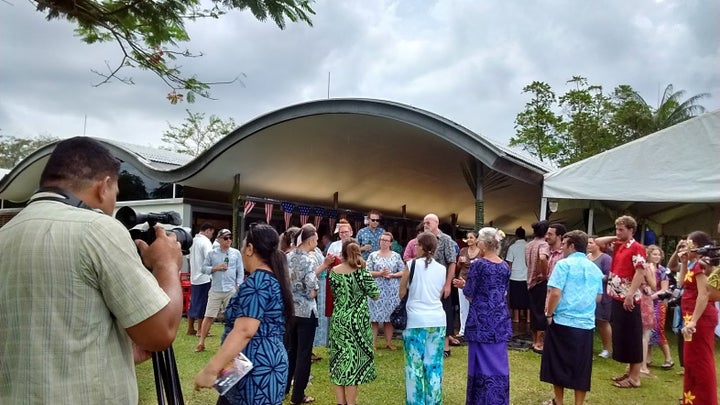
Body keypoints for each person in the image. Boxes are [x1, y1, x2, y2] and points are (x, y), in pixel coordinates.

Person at [0, 137, 183, 404]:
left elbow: (38, 336)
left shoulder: (6, 233)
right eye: (115, 195)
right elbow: (161, 333)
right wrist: (166, 264)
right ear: (104, 186)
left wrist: (119, 351)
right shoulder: (97, 229)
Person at [194, 223, 295, 405]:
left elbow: (244, 330)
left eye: (243, 246)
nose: (240, 251)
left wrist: (211, 369)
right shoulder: (273, 279)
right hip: (261, 364)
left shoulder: (257, 282)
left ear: (249, 249)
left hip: (256, 368)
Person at [540, 230, 603, 405]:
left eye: (564, 244)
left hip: (562, 320)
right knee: (581, 367)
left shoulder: (563, 265)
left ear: (572, 246)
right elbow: (598, 297)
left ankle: (559, 401)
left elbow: (555, 292)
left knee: (558, 363)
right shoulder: (595, 269)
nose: (561, 247)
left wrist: (549, 313)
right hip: (585, 324)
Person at [457, 227, 512, 405]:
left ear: (485, 243)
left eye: (479, 239)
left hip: (481, 318)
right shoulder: (504, 266)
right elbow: (502, 290)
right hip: (499, 317)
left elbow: (470, 292)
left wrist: (463, 286)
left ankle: (479, 400)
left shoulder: (478, 264)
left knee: (479, 360)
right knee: (498, 360)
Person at [595, 215, 647, 389]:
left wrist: (631, 294)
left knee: (633, 336)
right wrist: (617, 236)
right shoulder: (619, 245)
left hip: (628, 298)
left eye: (622, 229)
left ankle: (635, 377)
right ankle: (630, 371)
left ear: (631, 230)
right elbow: (599, 241)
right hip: (616, 296)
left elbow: (640, 271)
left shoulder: (637, 248)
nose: (618, 232)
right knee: (623, 335)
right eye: (617, 229)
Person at [328, 238, 379, 405]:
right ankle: (351, 403)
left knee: (338, 360)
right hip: (358, 322)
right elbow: (375, 294)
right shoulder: (362, 273)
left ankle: (340, 402)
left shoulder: (334, 272)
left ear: (342, 253)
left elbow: (334, 293)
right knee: (354, 362)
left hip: (339, 319)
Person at [402, 232, 447, 404]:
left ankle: (415, 402)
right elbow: (439, 293)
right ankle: (434, 401)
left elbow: (402, 292)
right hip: (437, 319)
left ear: (420, 246)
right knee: (434, 366)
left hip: (415, 319)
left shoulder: (411, 264)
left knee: (414, 367)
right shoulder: (442, 269)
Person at [285, 224, 329, 405]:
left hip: (290, 310)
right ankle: (298, 395)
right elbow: (312, 288)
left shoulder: (287, 256)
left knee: (290, 351)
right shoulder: (310, 260)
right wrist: (313, 291)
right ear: (310, 240)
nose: (317, 243)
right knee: (304, 354)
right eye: (316, 240)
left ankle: (284, 388)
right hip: (306, 311)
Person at [678, 231, 717, 405]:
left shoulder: (701, 264)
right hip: (690, 317)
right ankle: (691, 399)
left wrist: (694, 320)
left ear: (698, 247)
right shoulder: (693, 264)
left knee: (700, 360)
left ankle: (705, 400)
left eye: (689, 244)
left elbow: (704, 294)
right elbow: (681, 283)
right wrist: (684, 262)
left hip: (699, 318)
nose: (686, 247)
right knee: (691, 361)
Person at [196, 228, 244, 353]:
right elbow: (203, 269)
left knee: (232, 317)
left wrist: (238, 284)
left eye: (230, 238)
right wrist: (215, 268)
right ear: (219, 239)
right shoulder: (212, 253)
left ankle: (232, 344)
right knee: (209, 316)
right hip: (216, 289)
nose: (228, 240)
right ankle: (201, 342)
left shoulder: (236, 253)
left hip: (230, 289)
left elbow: (240, 270)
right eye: (225, 238)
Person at [422, 213, 457, 357]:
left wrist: (448, 284)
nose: (425, 225)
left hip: (441, 283)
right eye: (424, 222)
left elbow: (452, 262)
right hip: (426, 283)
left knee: (445, 313)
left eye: (428, 222)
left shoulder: (446, 239)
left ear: (436, 223)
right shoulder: (423, 240)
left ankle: (445, 347)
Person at [367, 231, 405, 350]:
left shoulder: (396, 256)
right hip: (377, 290)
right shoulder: (373, 255)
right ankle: (372, 343)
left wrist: (393, 275)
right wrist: (380, 273)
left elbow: (404, 271)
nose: (383, 242)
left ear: (391, 243)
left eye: (386, 240)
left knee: (389, 317)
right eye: (382, 240)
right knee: (374, 317)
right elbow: (366, 272)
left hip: (392, 291)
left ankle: (389, 342)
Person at [645, 244, 674, 370]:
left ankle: (668, 358)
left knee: (659, 330)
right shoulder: (645, 268)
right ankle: (648, 358)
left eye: (658, 254)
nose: (656, 257)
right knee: (647, 330)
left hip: (659, 303)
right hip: (647, 302)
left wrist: (650, 297)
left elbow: (664, 290)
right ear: (648, 255)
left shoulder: (663, 271)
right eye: (654, 254)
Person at [526, 220, 550, 353]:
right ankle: (539, 343)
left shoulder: (529, 245)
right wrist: (544, 273)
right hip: (540, 281)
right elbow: (542, 257)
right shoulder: (544, 245)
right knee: (541, 311)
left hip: (529, 281)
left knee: (534, 311)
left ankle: (534, 340)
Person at [187, 223, 216, 336]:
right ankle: (200, 330)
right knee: (203, 303)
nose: (211, 235)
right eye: (212, 233)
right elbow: (210, 258)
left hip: (194, 276)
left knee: (193, 302)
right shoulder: (205, 242)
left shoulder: (193, 241)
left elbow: (188, 257)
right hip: (204, 277)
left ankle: (190, 328)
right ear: (208, 230)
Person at [587, 235, 613, 358]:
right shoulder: (587, 258)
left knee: (603, 321)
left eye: (591, 243)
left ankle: (607, 349)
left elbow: (610, 276)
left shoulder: (606, 258)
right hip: (589, 294)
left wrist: (598, 276)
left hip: (603, 294)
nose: (588, 245)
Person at [455, 230, 482, 338]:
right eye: (468, 238)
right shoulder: (463, 250)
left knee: (476, 306)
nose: (469, 240)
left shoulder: (481, 252)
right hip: (462, 280)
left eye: (471, 237)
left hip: (476, 283)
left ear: (476, 239)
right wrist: (459, 262)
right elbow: (457, 267)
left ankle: (476, 328)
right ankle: (463, 330)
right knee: (463, 307)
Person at [506, 226, 529, 324]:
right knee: (527, 297)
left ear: (516, 236)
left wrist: (507, 275)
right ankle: (528, 318)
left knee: (515, 297)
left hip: (514, 276)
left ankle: (516, 317)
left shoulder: (512, 247)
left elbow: (509, 263)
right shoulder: (529, 246)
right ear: (524, 235)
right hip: (527, 276)